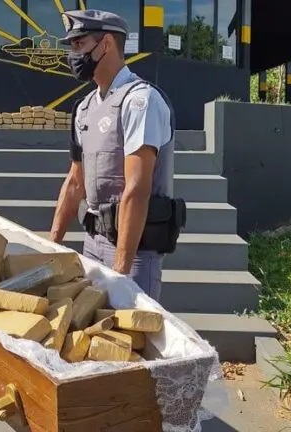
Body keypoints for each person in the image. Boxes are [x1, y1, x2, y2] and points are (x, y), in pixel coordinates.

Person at [49, 9, 185, 301]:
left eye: (79, 45)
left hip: (133, 251)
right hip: (93, 243)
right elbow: (75, 182)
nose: (73, 55)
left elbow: (136, 189)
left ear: (106, 44)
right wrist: (52, 246)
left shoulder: (140, 102)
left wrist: (121, 272)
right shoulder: (84, 108)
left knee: (131, 339)